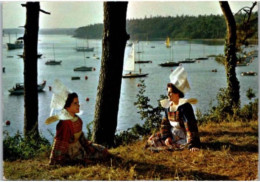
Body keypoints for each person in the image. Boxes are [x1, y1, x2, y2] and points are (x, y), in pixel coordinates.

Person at [45, 80, 109, 165]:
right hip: (70, 152)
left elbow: (80, 137)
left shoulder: (77, 119)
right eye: (75, 103)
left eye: (78, 103)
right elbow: (60, 143)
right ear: (67, 106)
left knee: (103, 150)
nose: (78, 105)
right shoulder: (64, 124)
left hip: (80, 146)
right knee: (95, 159)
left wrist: (87, 146)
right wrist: (56, 160)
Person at [146, 66, 200, 152]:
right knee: (152, 139)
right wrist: (167, 137)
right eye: (168, 93)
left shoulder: (185, 106)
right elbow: (165, 125)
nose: (168, 95)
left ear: (177, 93)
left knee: (180, 145)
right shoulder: (168, 106)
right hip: (173, 133)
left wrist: (192, 144)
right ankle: (168, 143)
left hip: (184, 136)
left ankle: (180, 145)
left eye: (171, 93)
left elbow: (190, 127)